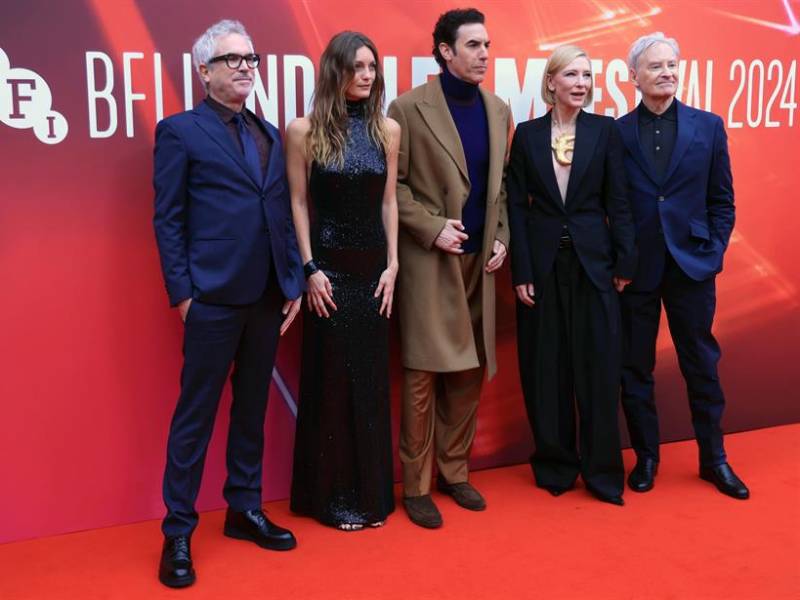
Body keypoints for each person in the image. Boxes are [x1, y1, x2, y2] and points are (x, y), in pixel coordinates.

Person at [152, 20, 304, 588]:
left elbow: (280, 213)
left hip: (267, 295)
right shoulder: (180, 131)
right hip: (212, 299)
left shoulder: (268, 131)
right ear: (204, 71)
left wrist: (290, 282)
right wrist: (184, 295)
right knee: (196, 415)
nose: (246, 67)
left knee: (251, 410)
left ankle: (243, 509)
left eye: (251, 58)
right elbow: (167, 220)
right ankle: (178, 532)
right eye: (232, 59)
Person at [387, 8, 512, 529]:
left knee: (469, 371)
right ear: (444, 50)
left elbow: (499, 188)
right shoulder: (407, 108)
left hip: (480, 264)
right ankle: (416, 486)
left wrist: (501, 235)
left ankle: (454, 473)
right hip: (428, 262)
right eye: (473, 45)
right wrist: (430, 226)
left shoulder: (498, 109)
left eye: (486, 44)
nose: (484, 53)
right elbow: (391, 186)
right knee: (422, 375)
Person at [617, 33, 749, 499]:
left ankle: (714, 459)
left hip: (692, 267)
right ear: (633, 76)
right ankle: (647, 458)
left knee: (702, 365)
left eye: (672, 64)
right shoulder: (617, 133)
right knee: (634, 368)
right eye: (656, 66)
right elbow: (614, 205)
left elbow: (723, 201)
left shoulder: (708, 127)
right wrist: (621, 261)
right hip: (635, 272)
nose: (668, 72)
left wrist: (712, 254)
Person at [507, 44, 637, 506]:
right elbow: (515, 211)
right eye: (572, 75)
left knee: (599, 369)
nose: (581, 83)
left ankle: (602, 473)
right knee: (547, 369)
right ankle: (556, 466)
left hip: (594, 266)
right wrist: (521, 269)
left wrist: (626, 262)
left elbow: (618, 201)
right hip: (542, 267)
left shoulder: (605, 132)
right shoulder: (525, 135)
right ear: (551, 82)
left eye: (586, 75)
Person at [286, 31, 400, 530]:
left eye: (372, 67)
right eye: (357, 67)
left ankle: (372, 496)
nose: (367, 76)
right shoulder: (303, 130)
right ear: (335, 70)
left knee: (371, 383)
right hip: (329, 274)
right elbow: (296, 203)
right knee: (332, 383)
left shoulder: (388, 130)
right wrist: (309, 269)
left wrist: (394, 266)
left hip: (374, 272)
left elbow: (389, 202)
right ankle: (329, 498)